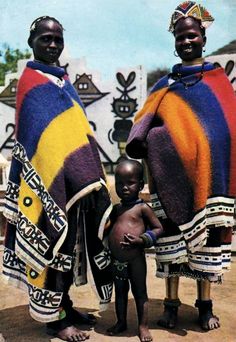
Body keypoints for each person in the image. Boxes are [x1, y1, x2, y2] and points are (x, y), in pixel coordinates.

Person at [126, 1, 236, 332]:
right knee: (171, 246)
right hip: (170, 180)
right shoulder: (166, 86)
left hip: (210, 184)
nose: (186, 42)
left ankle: (205, 305)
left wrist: (206, 147)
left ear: (203, 36)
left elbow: (227, 131)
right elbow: (142, 128)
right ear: (174, 41)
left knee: (208, 243)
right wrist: (160, 142)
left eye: (192, 36)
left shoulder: (219, 84)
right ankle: (171, 305)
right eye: (180, 37)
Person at [2, 16, 113, 342]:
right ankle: (55, 321)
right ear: (31, 41)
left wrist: (86, 172)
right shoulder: (31, 83)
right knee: (52, 243)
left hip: (71, 183)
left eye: (57, 39)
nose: (52, 45)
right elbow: (40, 139)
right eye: (45, 39)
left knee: (69, 248)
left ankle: (64, 305)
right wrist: (57, 173)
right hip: (46, 184)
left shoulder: (62, 81)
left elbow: (77, 133)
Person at [107, 159, 163, 342]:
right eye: (120, 183)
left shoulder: (142, 208)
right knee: (120, 292)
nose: (124, 187)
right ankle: (121, 322)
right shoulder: (116, 209)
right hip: (117, 260)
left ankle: (143, 326)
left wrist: (142, 240)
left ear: (140, 185)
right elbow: (107, 228)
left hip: (136, 259)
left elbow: (158, 228)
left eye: (130, 183)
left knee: (140, 293)